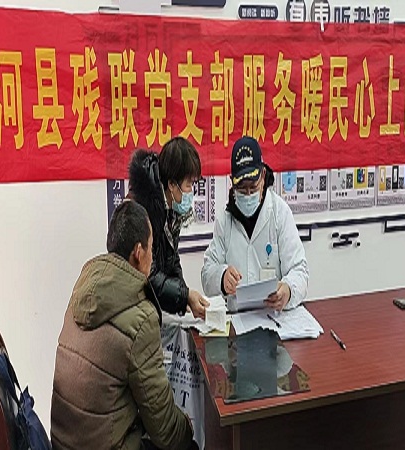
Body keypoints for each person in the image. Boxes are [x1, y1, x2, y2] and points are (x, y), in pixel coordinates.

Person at [51, 200, 196, 450]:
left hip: (64, 443)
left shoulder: (83, 289)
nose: (152, 258)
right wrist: (189, 428)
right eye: (151, 248)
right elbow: (164, 430)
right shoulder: (141, 318)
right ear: (138, 252)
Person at [201, 136, 308, 311]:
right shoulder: (225, 219)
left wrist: (288, 290)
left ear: (263, 176)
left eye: (253, 187)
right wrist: (221, 277)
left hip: (274, 317)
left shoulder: (280, 213)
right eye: (242, 190)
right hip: (237, 318)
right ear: (232, 181)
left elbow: (300, 270)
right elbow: (207, 273)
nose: (248, 194)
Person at [128, 137, 209, 318]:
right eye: (188, 184)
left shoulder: (171, 208)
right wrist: (185, 296)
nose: (191, 191)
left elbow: (172, 260)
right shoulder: (141, 211)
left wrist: (183, 298)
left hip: (155, 310)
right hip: (135, 312)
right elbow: (147, 274)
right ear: (172, 184)